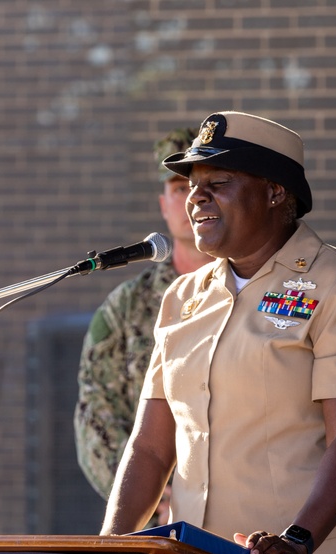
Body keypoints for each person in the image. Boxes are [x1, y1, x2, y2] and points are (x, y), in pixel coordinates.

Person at [100, 111, 336, 554]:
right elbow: (151, 446)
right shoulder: (182, 299)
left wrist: (297, 539)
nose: (196, 199)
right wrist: (112, 544)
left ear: (276, 191)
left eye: (218, 184)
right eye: (191, 187)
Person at [74, 128, 212, 515]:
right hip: (154, 518)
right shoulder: (127, 307)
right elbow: (95, 413)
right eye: (178, 188)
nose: (191, 199)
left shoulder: (257, 290)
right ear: (163, 204)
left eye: (202, 185)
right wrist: (152, 499)